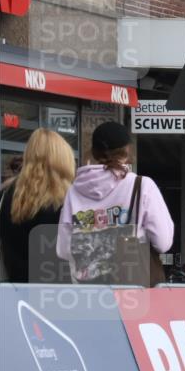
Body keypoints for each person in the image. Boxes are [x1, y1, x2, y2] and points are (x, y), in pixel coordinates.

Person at [57, 122, 173, 284]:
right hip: (133, 286)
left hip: (89, 289)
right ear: (127, 150)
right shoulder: (142, 186)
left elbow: (64, 249)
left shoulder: (74, 190)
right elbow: (163, 242)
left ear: (94, 152)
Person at [0, 130, 74, 283]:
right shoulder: (68, 200)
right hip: (58, 295)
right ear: (63, 159)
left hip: (14, 292)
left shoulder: (6, 195)